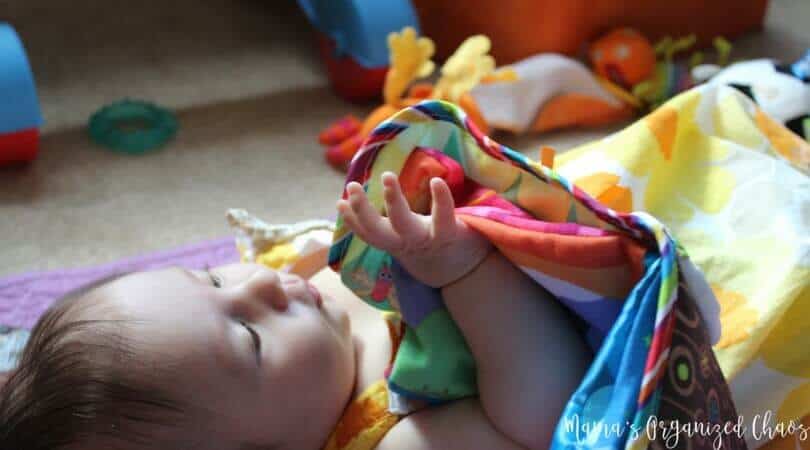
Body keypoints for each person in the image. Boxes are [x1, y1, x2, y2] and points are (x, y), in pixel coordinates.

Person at [0, 173, 591, 450]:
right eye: (249, 339)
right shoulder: (390, 436)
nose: (260, 283)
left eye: (209, 279)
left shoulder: (296, 280)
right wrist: (467, 272)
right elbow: (549, 415)